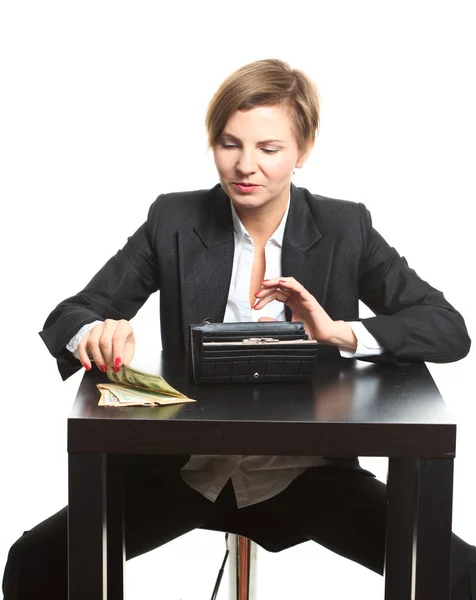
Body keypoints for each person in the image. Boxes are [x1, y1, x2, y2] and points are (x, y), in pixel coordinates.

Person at [3, 58, 474, 599]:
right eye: (230, 144)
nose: (245, 166)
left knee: (457, 570)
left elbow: (447, 328)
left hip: (307, 477)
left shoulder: (347, 228)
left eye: (268, 149)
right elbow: (71, 312)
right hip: (184, 472)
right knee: (36, 560)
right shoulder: (173, 221)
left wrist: (339, 331)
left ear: (304, 150)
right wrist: (93, 334)